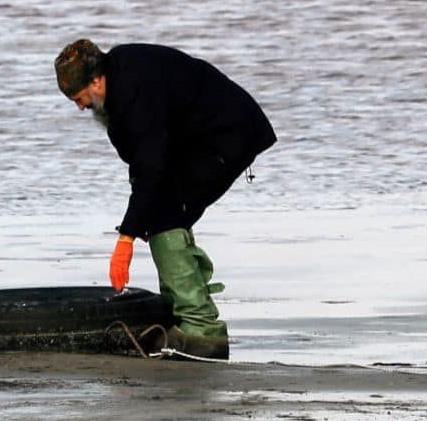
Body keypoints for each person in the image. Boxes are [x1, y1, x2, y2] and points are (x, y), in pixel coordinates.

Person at [54, 39, 276, 359]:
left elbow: (150, 166)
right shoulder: (117, 84)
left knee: (168, 214)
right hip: (195, 139)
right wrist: (138, 219)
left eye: (79, 98)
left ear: (96, 81)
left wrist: (126, 237)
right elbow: (141, 161)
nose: (79, 107)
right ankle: (180, 316)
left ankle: (202, 330)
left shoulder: (133, 92)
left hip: (228, 134)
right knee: (163, 211)